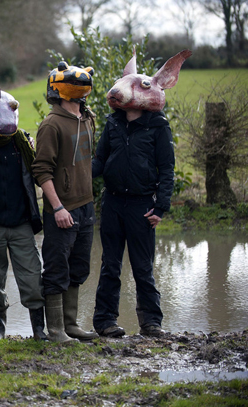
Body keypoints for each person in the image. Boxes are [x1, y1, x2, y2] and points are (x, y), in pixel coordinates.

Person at [92, 50, 190, 338]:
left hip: (142, 206)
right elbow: (99, 160)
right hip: (112, 203)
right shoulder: (112, 123)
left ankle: (151, 323)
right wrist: (77, 174)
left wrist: (161, 208)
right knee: (110, 265)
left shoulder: (158, 126)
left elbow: (167, 169)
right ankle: (105, 322)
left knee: (143, 267)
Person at [0, 59, 46, 341]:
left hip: (22, 223)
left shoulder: (23, 142)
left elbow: (40, 172)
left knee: (32, 277)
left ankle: (39, 329)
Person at [31, 62, 98, 343]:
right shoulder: (51, 125)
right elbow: (41, 171)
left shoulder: (87, 118)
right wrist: (57, 207)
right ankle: (56, 330)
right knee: (57, 268)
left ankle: (70, 325)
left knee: (79, 267)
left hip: (86, 205)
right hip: (62, 209)